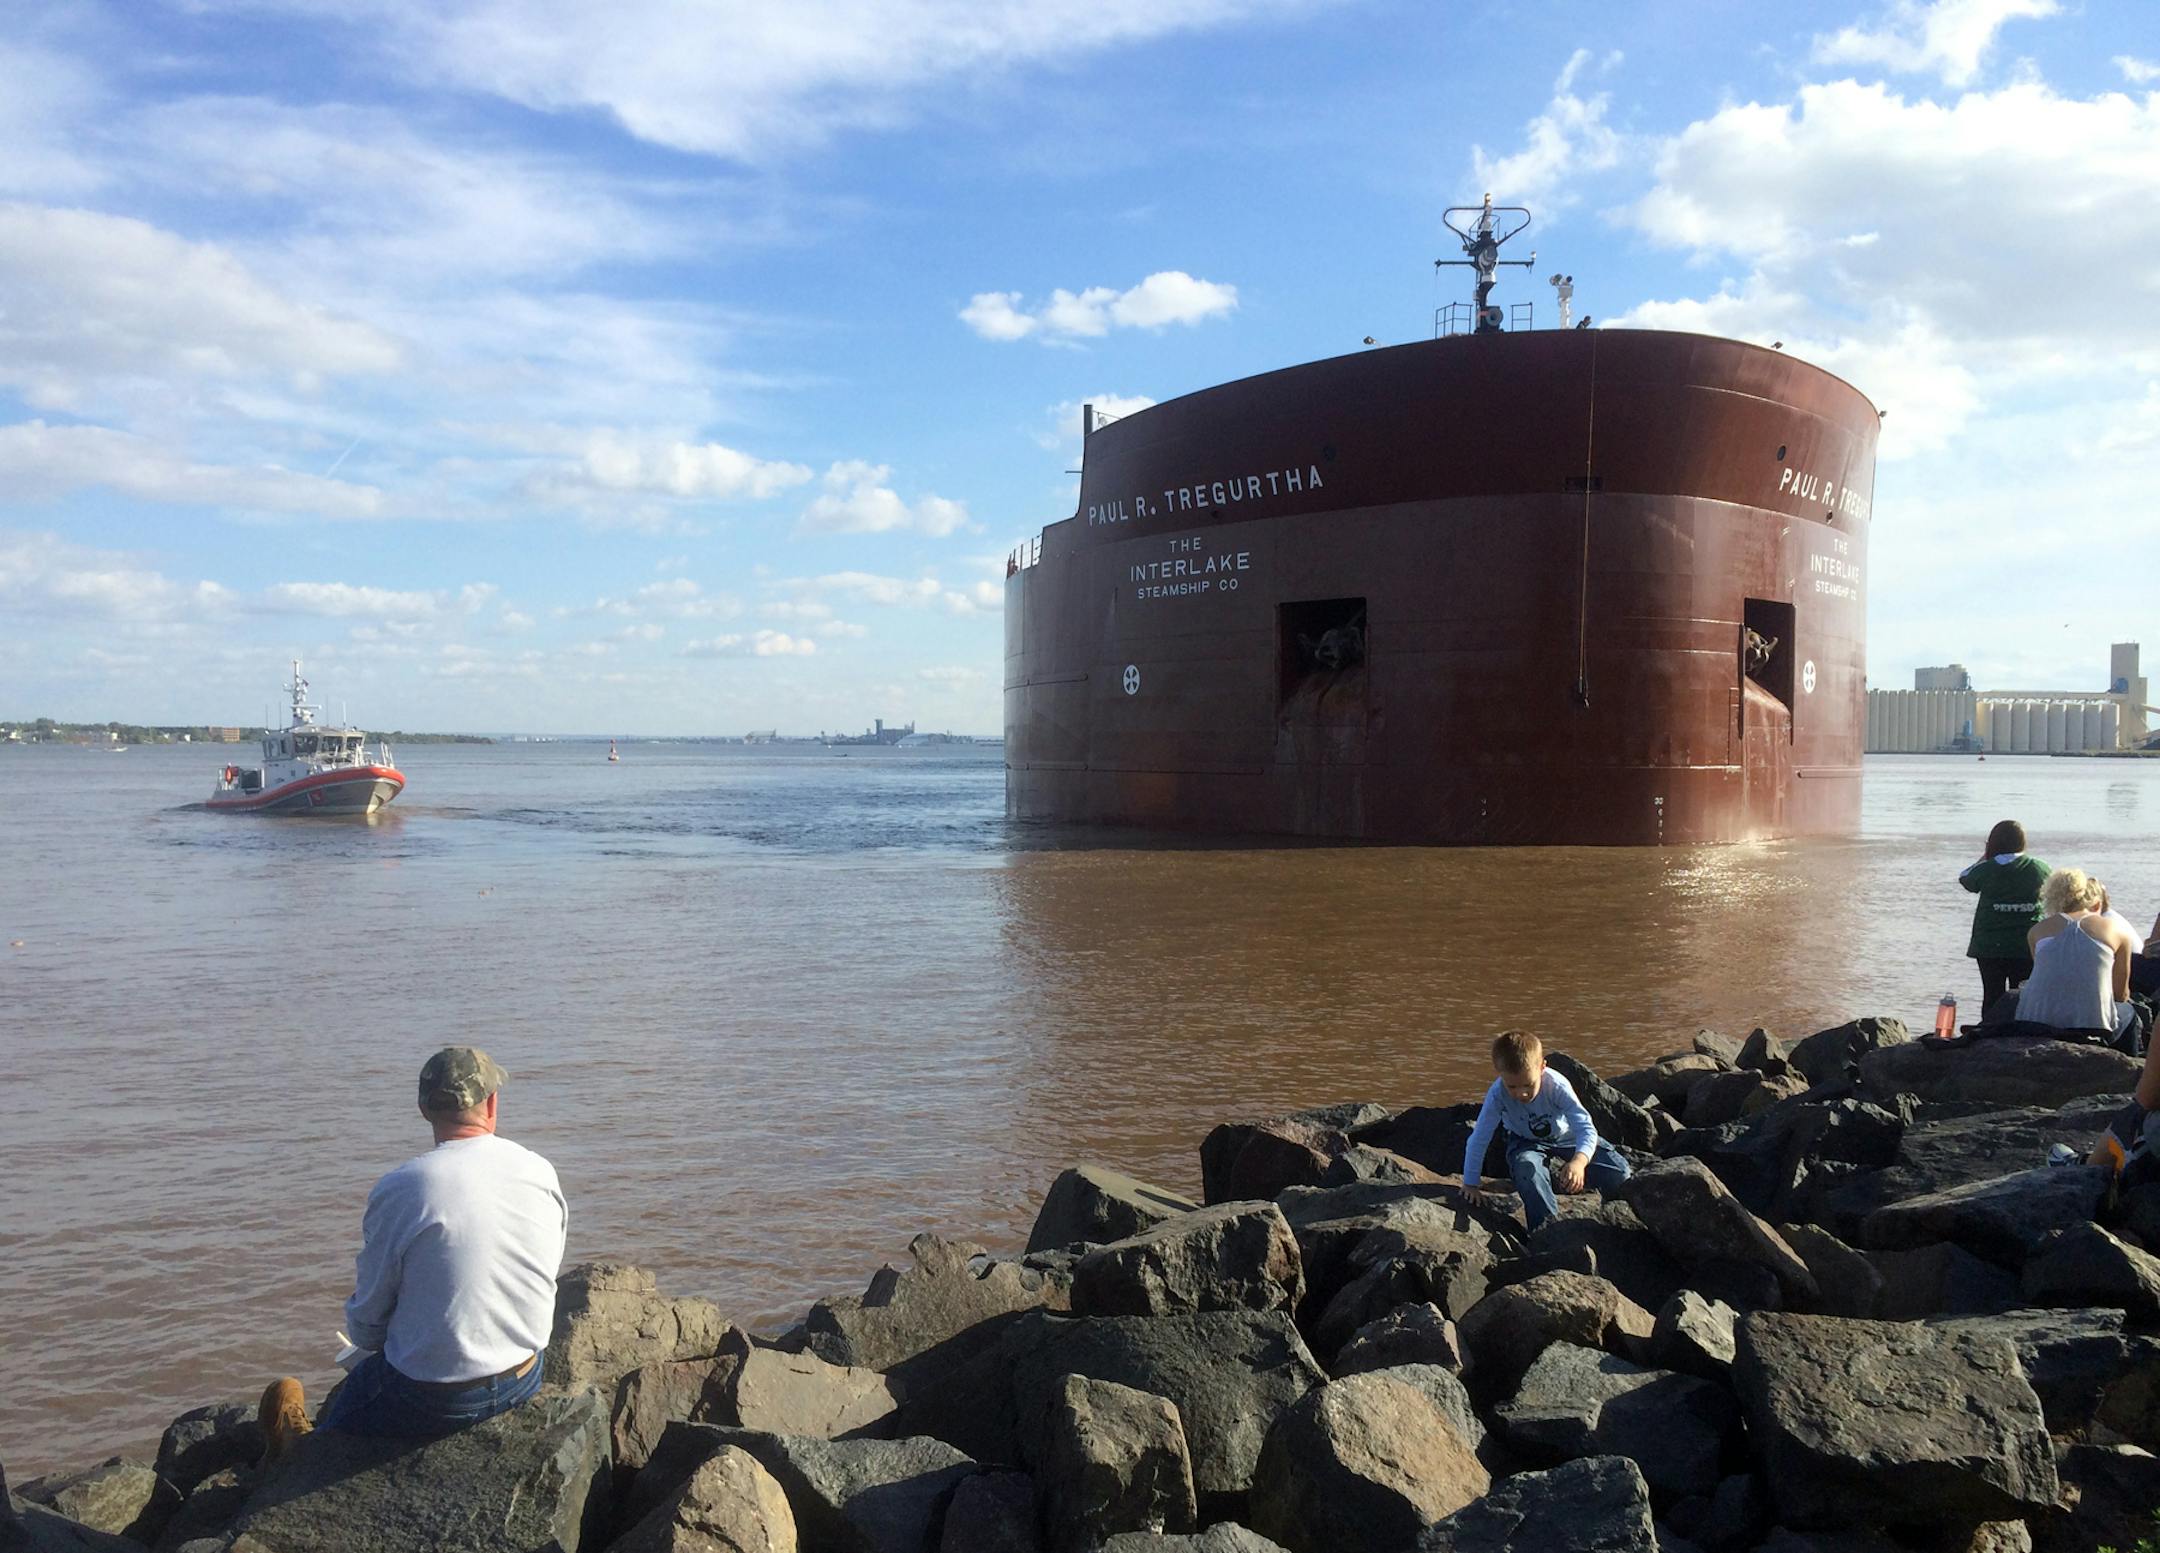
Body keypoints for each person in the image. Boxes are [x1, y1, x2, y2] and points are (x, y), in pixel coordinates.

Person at [258, 1047, 567, 1455]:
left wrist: (379, 1345)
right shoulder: (537, 1169)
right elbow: (546, 1266)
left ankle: (295, 1452)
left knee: (343, 1420)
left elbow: (368, 1318)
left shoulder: (403, 1187)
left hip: (435, 1400)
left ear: (424, 1109)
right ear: (492, 1102)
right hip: (525, 1374)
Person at [1460, 1030, 1631, 1232]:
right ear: (1499, 1073)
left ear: (1542, 1067)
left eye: (1528, 1084)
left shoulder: (1556, 1086)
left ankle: (1617, 1219)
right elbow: (1479, 1137)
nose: (1521, 1093)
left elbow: (1585, 1127)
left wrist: (1579, 1162)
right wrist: (1470, 1183)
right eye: (1512, 1086)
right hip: (1524, 1140)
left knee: (1620, 1173)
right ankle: (1547, 1229)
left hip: (1566, 1136)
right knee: (1527, 1169)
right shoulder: (1498, 1094)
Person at [2015, 868, 2140, 1043]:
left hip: (2036, 1021)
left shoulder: (2037, 931)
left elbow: (2050, 978)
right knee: (2130, 1013)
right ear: (2095, 904)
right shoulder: (2117, 930)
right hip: (2093, 1026)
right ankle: (2131, 1067)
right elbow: (2121, 994)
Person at [1958, 820, 2050, 1019]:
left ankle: (1989, 1034)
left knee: (1992, 994)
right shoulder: (2039, 868)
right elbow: (2053, 890)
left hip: (1989, 946)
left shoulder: (1988, 868)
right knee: (2023, 994)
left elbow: (1966, 878)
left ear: (1993, 843)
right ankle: (2020, 1032)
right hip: (2026, 944)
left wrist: (1985, 856)